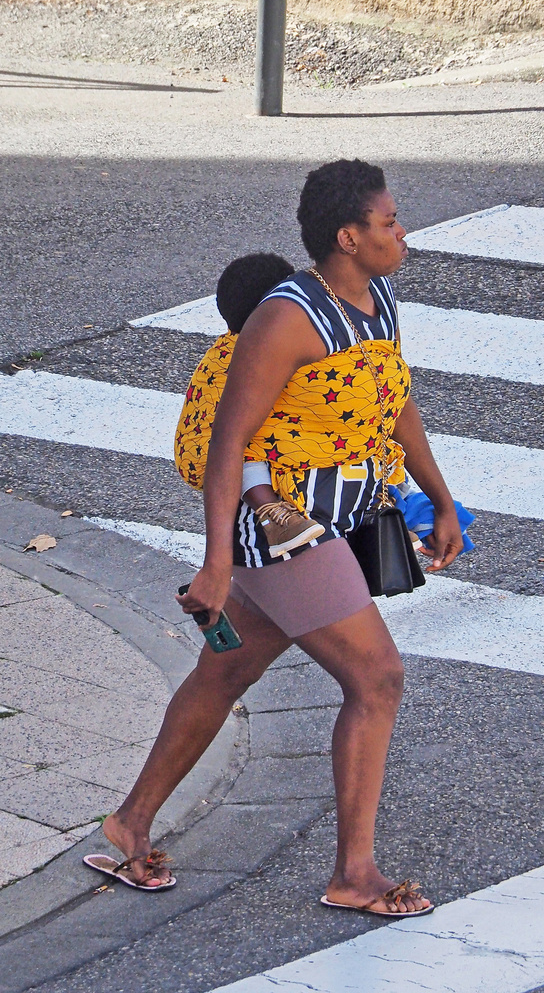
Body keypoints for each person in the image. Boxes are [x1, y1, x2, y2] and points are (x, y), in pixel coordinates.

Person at [94, 159, 464, 915]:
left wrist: (440, 495)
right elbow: (230, 439)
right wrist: (216, 563)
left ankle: (129, 825)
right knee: (376, 677)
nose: (402, 231)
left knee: (226, 674)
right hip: (281, 524)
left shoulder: (377, 297)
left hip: (344, 516)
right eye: (389, 221)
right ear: (348, 237)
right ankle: (353, 873)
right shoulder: (288, 318)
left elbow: (394, 401)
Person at [179, 252, 326, 557]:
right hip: (215, 453)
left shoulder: (227, 347)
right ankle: (271, 512)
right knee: (247, 449)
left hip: (208, 449)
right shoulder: (255, 353)